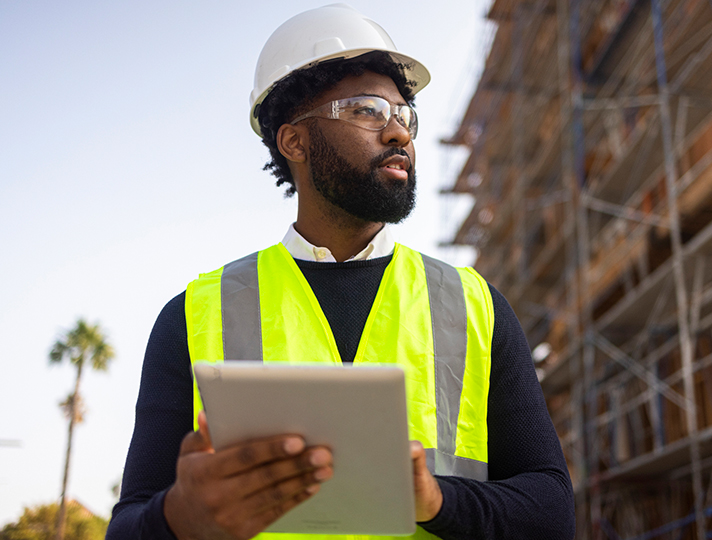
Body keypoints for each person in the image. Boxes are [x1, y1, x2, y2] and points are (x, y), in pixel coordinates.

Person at [106, 5, 575, 540]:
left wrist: (437, 498)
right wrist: (179, 518)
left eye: (405, 114)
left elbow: (553, 512)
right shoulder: (193, 315)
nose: (398, 132)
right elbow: (128, 528)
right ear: (294, 142)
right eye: (367, 110)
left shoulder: (476, 306)